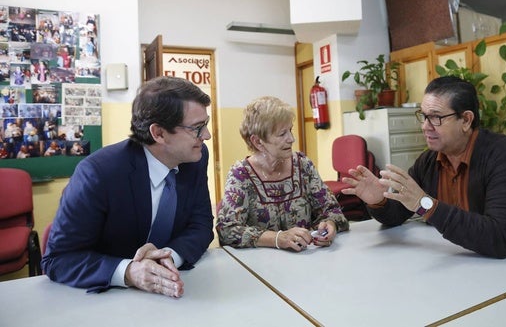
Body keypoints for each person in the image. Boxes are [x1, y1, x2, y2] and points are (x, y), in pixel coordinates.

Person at [342, 75, 506, 259]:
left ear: (466, 120)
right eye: (423, 116)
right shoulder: (429, 161)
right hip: (471, 263)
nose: (425, 127)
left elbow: (499, 240)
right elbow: (398, 214)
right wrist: (378, 201)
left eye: (436, 118)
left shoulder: (504, 157)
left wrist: (425, 204)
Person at [42, 76, 215, 297]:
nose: (207, 136)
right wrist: (130, 272)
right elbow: (58, 259)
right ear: (159, 133)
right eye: (198, 128)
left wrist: (168, 255)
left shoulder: (196, 158)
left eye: (206, 124)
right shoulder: (98, 173)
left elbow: (200, 225)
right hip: (108, 300)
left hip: (175, 292)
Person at [216, 96, 349, 251]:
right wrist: (277, 239)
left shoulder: (303, 165)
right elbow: (227, 231)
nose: (292, 139)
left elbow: (332, 211)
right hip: (262, 267)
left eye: (290, 130)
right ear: (258, 142)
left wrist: (330, 225)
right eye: (282, 134)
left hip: (309, 261)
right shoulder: (241, 175)